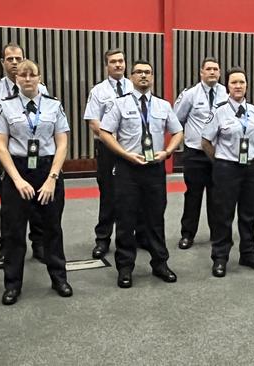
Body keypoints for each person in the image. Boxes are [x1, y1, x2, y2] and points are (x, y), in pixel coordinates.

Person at [0, 59, 72, 305]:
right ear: (17, 79)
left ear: (39, 78)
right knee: (14, 232)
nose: (27, 79)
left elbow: (62, 143)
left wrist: (52, 179)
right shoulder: (5, 107)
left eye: (32, 75)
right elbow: (0, 145)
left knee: (52, 229)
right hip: (18, 171)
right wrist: (17, 179)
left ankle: (59, 277)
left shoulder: (53, 105)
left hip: (48, 170)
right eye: (23, 75)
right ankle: (12, 284)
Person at [99, 60, 183, 288]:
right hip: (128, 169)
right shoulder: (119, 104)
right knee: (125, 219)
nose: (143, 76)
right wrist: (124, 154)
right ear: (132, 77)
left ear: (153, 77)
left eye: (148, 72)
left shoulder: (163, 106)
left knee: (155, 218)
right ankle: (125, 267)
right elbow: (105, 132)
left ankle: (160, 263)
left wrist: (167, 152)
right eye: (139, 72)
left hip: (154, 169)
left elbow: (178, 132)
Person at [0, 43, 47, 268]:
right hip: (8, 157)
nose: (15, 63)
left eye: (19, 58)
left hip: (36, 156)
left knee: (39, 203)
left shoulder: (41, 89)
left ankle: (39, 245)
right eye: (10, 59)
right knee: (10, 207)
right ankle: (7, 249)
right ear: (3, 63)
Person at [201, 67, 254, 277]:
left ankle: (248, 253)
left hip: (252, 168)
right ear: (227, 86)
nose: (238, 86)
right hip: (227, 168)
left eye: (241, 82)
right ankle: (220, 257)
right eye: (233, 83)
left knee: (249, 213)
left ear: (247, 85)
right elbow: (205, 142)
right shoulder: (219, 111)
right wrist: (221, 160)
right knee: (224, 214)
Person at [84, 49, 134, 259]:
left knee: (133, 194)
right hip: (108, 149)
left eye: (121, 61)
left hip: (131, 148)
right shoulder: (99, 91)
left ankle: (132, 237)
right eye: (113, 62)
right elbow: (93, 122)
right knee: (108, 195)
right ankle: (103, 239)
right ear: (107, 66)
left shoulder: (133, 86)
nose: (118, 65)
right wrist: (112, 139)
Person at [174, 57, 227, 249]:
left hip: (218, 154)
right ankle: (187, 234)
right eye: (209, 69)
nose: (212, 72)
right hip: (195, 154)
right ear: (201, 72)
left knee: (217, 196)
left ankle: (217, 234)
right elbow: (176, 119)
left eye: (216, 69)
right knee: (193, 195)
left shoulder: (226, 92)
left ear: (220, 73)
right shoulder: (190, 94)